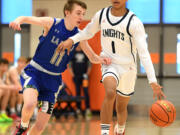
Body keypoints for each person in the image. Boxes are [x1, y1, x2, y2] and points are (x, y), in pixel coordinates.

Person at [56, 0, 166, 135]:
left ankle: (120, 129)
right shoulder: (101, 15)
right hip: (109, 63)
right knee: (110, 92)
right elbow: (87, 33)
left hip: (128, 68)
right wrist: (72, 40)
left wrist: (153, 81)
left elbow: (144, 53)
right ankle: (105, 132)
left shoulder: (134, 22)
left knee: (121, 107)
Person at [9, 0, 111, 135]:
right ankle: (22, 126)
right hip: (35, 72)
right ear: (67, 12)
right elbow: (27, 18)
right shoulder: (52, 23)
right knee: (29, 104)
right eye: (78, 13)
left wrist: (102, 60)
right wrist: (18, 20)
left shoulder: (80, 35)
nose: (81, 17)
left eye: (83, 14)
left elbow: (92, 57)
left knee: (40, 127)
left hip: (53, 80)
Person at [69, 45, 92, 117]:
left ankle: (87, 109)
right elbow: (69, 65)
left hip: (84, 77)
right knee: (77, 92)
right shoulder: (72, 53)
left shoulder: (85, 52)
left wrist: (87, 74)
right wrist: (72, 75)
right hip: (76, 77)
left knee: (86, 92)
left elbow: (89, 64)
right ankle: (78, 110)